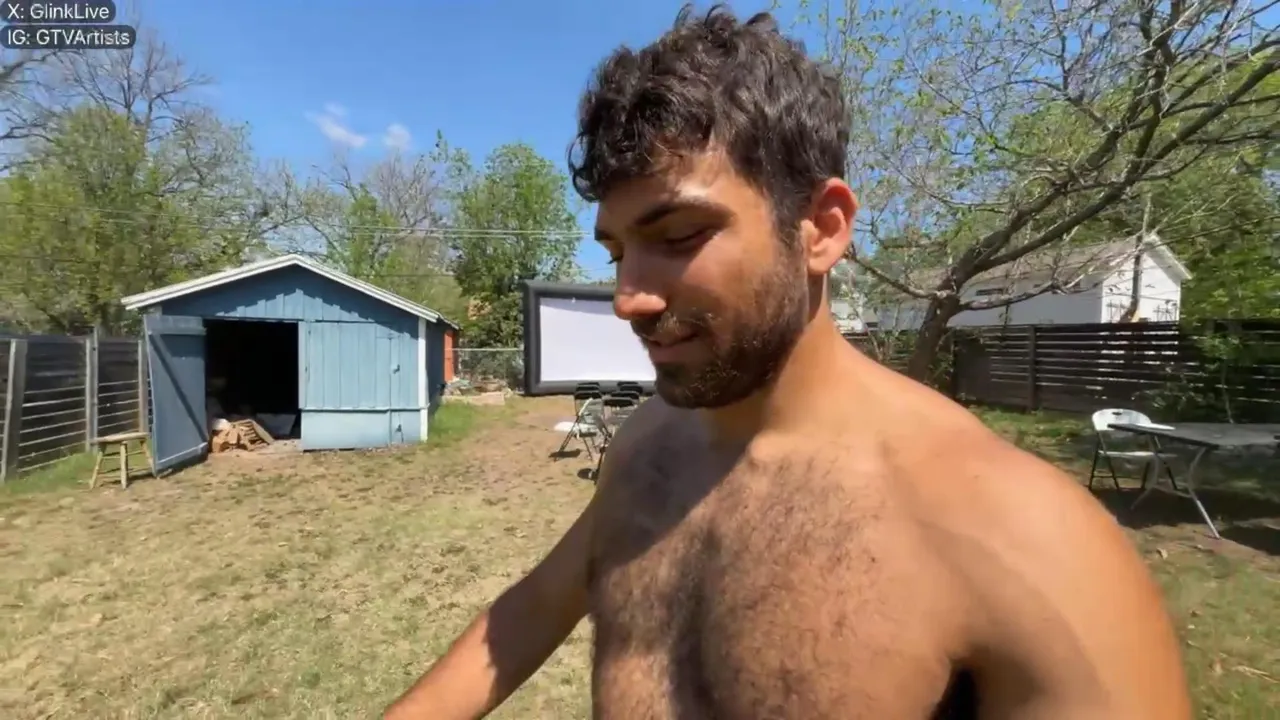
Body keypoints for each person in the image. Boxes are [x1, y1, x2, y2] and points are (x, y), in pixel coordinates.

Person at [384, 5, 1192, 719]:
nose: (628, 298)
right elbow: (531, 609)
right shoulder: (644, 447)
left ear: (822, 229)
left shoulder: (1031, 538)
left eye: (678, 236)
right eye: (617, 252)